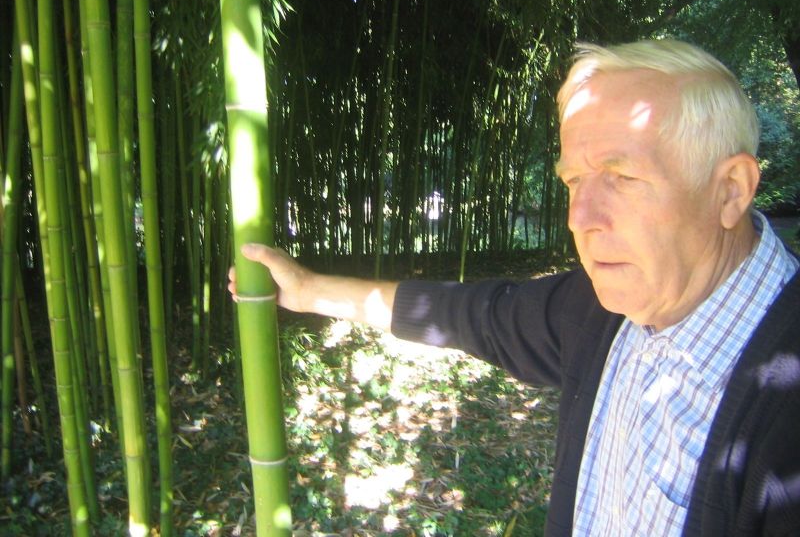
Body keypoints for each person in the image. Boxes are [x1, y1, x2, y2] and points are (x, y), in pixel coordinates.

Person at [229, 39, 800, 536]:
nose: (580, 217)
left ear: (730, 190)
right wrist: (310, 292)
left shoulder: (786, 410)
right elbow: (476, 315)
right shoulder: (599, 313)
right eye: (573, 182)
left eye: (621, 177)